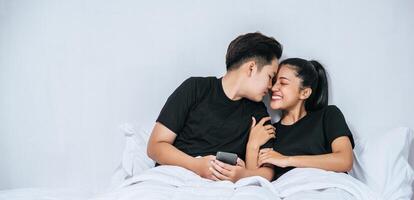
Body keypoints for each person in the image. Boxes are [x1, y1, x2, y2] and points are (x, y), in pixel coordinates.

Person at [147, 32, 283, 182]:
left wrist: (241, 175)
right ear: (251, 68)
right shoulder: (195, 88)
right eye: (270, 77)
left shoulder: (258, 112)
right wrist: (197, 166)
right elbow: (155, 146)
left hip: (221, 185)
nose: (271, 87)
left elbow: (268, 173)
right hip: (175, 176)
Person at [246, 58, 355, 180]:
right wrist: (252, 145)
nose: (273, 88)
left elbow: (345, 161)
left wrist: (286, 160)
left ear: (305, 93)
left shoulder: (328, 115)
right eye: (274, 81)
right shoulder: (269, 131)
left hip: (329, 187)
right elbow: (254, 183)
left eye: (283, 83)